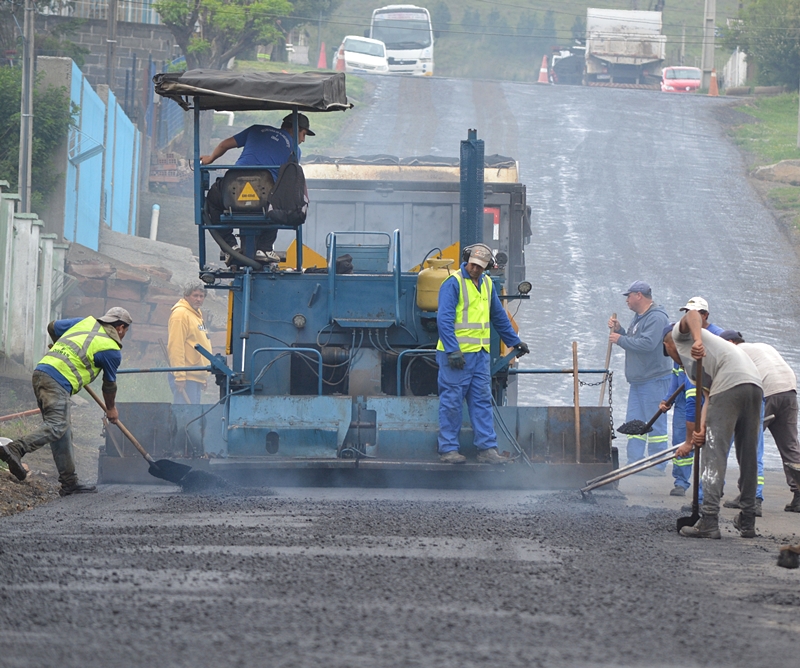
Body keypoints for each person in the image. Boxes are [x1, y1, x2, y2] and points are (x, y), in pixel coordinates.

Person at [0, 307, 132, 496]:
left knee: (62, 431)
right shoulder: (111, 349)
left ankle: (69, 483)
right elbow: (109, 385)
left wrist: (59, 348)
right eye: (125, 330)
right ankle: (15, 448)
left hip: (42, 372)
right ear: (120, 327)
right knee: (57, 426)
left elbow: (52, 326)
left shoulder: (86, 322)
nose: (124, 334)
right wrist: (111, 409)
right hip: (57, 380)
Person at [664, 311, 763, 539]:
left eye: (667, 352)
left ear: (667, 345)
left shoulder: (680, 337)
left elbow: (691, 314)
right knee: (747, 454)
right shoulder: (691, 370)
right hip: (753, 385)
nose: (671, 358)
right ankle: (747, 521)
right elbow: (708, 398)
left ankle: (708, 520)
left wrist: (698, 339)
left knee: (713, 454)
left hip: (732, 384)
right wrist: (698, 433)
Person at [436, 244, 529, 464]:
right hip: (456, 357)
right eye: (473, 265)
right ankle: (448, 449)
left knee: (481, 401)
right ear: (466, 261)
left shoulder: (487, 284)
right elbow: (444, 320)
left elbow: (499, 317)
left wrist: (515, 342)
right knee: (451, 402)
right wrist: (452, 350)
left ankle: (487, 449)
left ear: (487, 267)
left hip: (479, 356)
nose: (475, 269)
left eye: (480, 266)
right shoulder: (453, 283)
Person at [201, 113, 314, 263]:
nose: (303, 140)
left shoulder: (255, 130)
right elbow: (287, 179)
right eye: (303, 134)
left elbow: (224, 145)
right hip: (264, 197)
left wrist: (210, 159)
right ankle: (265, 248)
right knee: (281, 199)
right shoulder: (294, 150)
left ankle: (230, 246)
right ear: (295, 129)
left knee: (211, 200)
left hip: (233, 190)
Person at [718, 330, 800, 513]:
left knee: (750, 444)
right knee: (790, 446)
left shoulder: (738, 351)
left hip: (767, 393)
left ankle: (751, 497)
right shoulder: (763, 346)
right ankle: (799, 494)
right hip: (789, 391)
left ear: (731, 342)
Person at [663, 296, 724, 495]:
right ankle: (681, 481)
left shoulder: (717, 336)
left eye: (695, 314)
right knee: (681, 440)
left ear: (705, 315)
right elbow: (677, 372)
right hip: (685, 400)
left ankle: (708, 490)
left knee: (707, 444)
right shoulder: (680, 340)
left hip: (708, 398)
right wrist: (668, 398)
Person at [609, 281, 672, 470]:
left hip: (654, 379)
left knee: (655, 423)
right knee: (634, 423)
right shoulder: (639, 317)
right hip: (639, 380)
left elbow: (647, 344)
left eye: (628, 296)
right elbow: (635, 339)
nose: (627, 300)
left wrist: (620, 339)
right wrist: (620, 331)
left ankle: (657, 465)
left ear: (639, 295)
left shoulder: (656, 318)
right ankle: (634, 463)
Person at [167, 280, 213, 405]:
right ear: (186, 296)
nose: (198, 299)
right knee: (185, 417)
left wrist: (203, 376)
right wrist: (180, 376)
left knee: (193, 417)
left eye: (201, 296)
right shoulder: (180, 315)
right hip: (186, 377)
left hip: (195, 376)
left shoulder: (196, 315)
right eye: (195, 296)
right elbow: (176, 347)